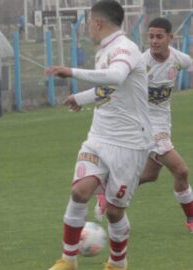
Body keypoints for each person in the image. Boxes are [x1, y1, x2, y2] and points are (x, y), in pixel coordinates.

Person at [45, 1, 152, 270]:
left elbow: (115, 77)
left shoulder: (125, 49)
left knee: (115, 211)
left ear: (98, 23)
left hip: (129, 142)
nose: (87, 28)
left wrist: (71, 72)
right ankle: (68, 260)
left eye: (88, 23)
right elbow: (108, 89)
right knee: (80, 192)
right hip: (99, 136)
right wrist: (80, 98)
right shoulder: (104, 51)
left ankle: (118, 263)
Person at [95, 17, 193, 232]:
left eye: (159, 37)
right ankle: (191, 219)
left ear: (170, 38)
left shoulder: (179, 59)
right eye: (151, 36)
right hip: (145, 126)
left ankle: (108, 188)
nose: (154, 41)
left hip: (163, 125)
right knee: (181, 170)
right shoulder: (140, 63)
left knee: (149, 175)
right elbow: (117, 85)